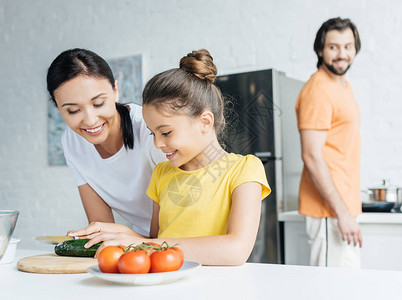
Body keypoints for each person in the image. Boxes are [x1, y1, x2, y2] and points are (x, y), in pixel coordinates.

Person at [79, 49, 271, 266]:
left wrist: (147, 245)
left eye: (166, 132)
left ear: (205, 122)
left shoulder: (244, 170)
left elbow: (235, 251)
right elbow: (157, 243)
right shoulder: (162, 173)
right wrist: (125, 234)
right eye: (153, 133)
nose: (157, 144)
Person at [47, 48, 166, 236]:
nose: (90, 120)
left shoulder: (149, 129)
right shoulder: (72, 143)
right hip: (144, 241)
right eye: (73, 110)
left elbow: (181, 219)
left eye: (98, 103)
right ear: (57, 106)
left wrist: (133, 240)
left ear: (115, 90)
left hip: (179, 238)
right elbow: (101, 228)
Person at [295, 17, 363, 268]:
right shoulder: (319, 90)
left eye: (348, 46)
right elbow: (311, 156)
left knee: (347, 288)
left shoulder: (342, 86)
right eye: (333, 47)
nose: (341, 54)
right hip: (329, 212)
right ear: (320, 50)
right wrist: (341, 214)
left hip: (341, 208)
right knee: (332, 290)